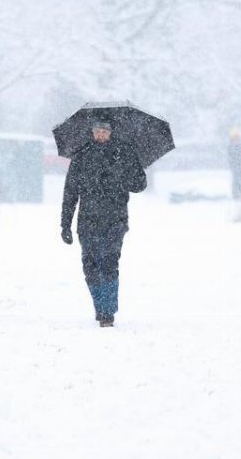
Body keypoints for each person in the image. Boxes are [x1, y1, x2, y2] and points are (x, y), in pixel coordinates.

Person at [61, 118, 146, 328]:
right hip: (87, 220)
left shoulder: (124, 153)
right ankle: (99, 307)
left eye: (104, 131)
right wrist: (65, 224)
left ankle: (108, 311)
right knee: (90, 266)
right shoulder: (81, 156)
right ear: (92, 131)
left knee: (109, 264)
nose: (100, 134)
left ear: (111, 132)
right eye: (97, 130)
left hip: (115, 220)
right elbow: (70, 192)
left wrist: (121, 177)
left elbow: (140, 184)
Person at [227, 128, 241, 201]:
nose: (237, 138)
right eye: (236, 137)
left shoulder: (237, 145)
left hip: (240, 166)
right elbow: (238, 154)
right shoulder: (233, 146)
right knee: (238, 181)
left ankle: (238, 195)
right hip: (237, 167)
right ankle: (237, 195)